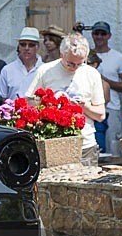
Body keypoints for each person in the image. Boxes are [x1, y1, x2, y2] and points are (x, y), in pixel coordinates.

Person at [26, 33, 106, 166]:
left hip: (85, 145)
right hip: (53, 143)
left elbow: (101, 115)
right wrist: (51, 104)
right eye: (70, 64)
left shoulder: (92, 74)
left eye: (80, 64)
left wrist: (84, 107)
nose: (75, 68)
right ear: (61, 54)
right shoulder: (45, 71)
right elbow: (29, 105)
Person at [86, 20, 122, 157]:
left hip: (111, 107)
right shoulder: (86, 56)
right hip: (89, 108)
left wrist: (103, 80)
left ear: (109, 35)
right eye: (96, 33)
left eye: (103, 33)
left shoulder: (118, 57)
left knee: (113, 145)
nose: (99, 36)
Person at [0, 27, 43, 100]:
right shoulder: (7, 70)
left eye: (31, 45)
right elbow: (3, 99)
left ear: (37, 47)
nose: (27, 48)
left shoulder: (45, 69)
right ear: (19, 46)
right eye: (23, 44)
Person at [86, 50, 111, 153]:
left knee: (98, 149)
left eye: (87, 63)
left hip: (97, 121)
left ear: (94, 65)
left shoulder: (103, 84)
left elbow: (105, 102)